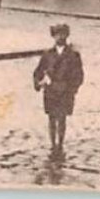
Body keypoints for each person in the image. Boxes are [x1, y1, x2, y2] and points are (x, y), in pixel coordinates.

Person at [33, 24, 85, 156]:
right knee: (51, 117)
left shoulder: (73, 55)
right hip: (50, 91)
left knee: (62, 118)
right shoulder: (48, 54)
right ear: (53, 36)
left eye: (62, 34)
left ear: (67, 35)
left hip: (65, 91)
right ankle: (52, 144)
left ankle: (60, 143)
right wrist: (38, 83)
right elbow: (38, 71)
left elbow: (79, 75)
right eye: (57, 34)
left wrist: (72, 89)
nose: (60, 37)